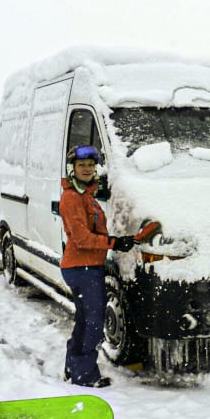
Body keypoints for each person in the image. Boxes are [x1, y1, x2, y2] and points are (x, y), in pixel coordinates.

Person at [59, 145, 135, 388]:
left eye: (90, 166)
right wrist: (112, 242)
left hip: (88, 266)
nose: (87, 169)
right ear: (73, 168)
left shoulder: (86, 195)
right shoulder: (72, 198)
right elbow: (81, 238)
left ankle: (74, 368)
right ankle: (84, 375)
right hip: (81, 267)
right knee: (93, 322)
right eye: (82, 165)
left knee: (85, 320)